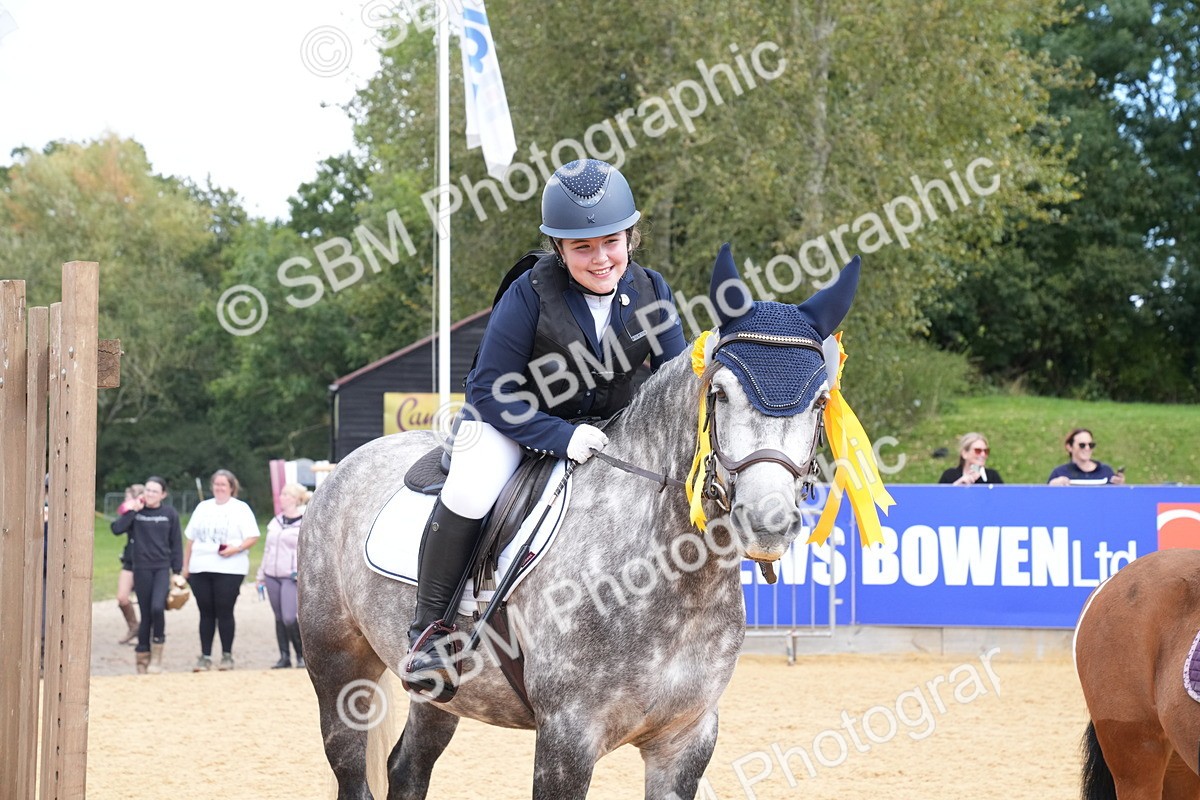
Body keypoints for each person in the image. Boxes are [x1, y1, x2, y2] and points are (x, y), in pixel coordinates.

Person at [403, 158, 687, 699]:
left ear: (630, 237)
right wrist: (559, 436)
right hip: (513, 423)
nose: (600, 259)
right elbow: (488, 389)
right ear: (559, 247)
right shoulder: (530, 291)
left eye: (611, 242)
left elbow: (674, 380)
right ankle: (430, 632)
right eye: (583, 247)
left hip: (609, 430)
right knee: (470, 488)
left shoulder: (652, 289)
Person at [183, 469, 260, 671]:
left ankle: (227, 654)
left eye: (223, 484)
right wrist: (186, 566)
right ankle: (205, 655)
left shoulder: (240, 508)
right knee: (205, 611)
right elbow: (190, 539)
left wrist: (237, 548)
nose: (219, 488)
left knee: (224, 610)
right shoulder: (203, 507)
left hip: (229, 567)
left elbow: (253, 536)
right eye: (216, 484)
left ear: (231, 487)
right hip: (201, 566)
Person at [110, 477, 183, 674]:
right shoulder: (137, 512)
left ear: (163, 494)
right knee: (146, 613)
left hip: (161, 568)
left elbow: (176, 543)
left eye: (155, 491)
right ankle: (142, 655)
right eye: (148, 490)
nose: (150, 494)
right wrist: (133, 511)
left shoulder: (169, 514)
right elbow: (116, 529)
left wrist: (177, 572)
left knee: (157, 608)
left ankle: (157, 653)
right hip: (141, 568)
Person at [256, 482, 310, 669]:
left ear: (296, 499)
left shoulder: (304, 521)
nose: (282, 497)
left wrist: (301, 571)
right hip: (271, 574)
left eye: (287, 494)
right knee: (278, 617)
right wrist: (261, 574)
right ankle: (284, 656)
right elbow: (267, 549)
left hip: (290, 575)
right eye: (282, 494)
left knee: (289, 617)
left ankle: (301, 655)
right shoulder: (276, 521)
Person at [112, 482, 145, 645]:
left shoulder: (149, 512)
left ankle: (146, 632)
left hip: (146, 562)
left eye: (127, 498)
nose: (125, 501)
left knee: (146, 600)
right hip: (130, 561)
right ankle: (134, 627)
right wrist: (132, 512)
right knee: (122, 598)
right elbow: (117, 529)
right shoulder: (131, 513)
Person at [1048, 428, 1126, 486]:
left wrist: (1121, 486)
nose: (1087, 448)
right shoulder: (1059, 473)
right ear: (1069, 447)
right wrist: (1052, 487)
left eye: (1091, 445)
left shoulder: (1105, 471)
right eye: (1082, 445)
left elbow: (1116, 498)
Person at [938, 433, 1004, 485]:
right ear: (964, 453)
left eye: (986, 451)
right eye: (978, 451)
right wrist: (957, 485)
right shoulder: (949, 475)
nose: (983, 454)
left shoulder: (992, 476)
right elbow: (939, 497)